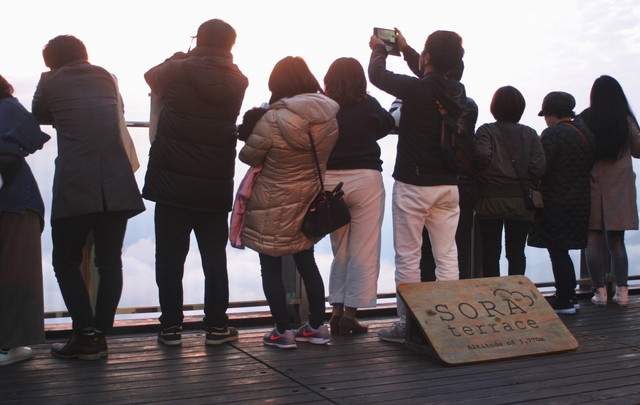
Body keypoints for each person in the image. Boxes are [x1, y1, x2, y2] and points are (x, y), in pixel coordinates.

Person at [32, 35, 145, 359]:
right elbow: (118, 113)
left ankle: (85, 333)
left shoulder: (50, 81)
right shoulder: (107, 77)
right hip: (117, 185)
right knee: (109, 262)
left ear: (52, 63)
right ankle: (100, 333)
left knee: (64, 261)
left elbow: (39, 114)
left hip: (76, 186)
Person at [143, 19, 248, 346]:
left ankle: (170, 327)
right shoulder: (238, 80)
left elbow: (151, 75)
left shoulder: (178, 69)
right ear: (230, 45)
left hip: (172, 184)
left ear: (198, 40)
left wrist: (180, 56)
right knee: (214, 259)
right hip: (214, 185)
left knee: (170, 258)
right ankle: (216, 326)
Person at [368, 30, 466, 343]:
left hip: (414, 183)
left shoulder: (416, 89)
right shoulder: (457, 90)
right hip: (448, 185)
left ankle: (408, 325)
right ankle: (449, 321)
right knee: (446, 255)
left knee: (409, 258)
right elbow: (429, 76)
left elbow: (377, 76)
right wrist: (408, 49)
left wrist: (379, 49)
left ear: (428, 57)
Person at [239, 56, 339, 349]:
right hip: (307, 198)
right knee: (306, 262)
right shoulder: (329, 116)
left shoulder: (273, 118)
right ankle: (318, 326)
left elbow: (249, 156)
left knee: (270, 265)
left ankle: (283, 331)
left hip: (272, 200)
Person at [322, 57, 394, 336]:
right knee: (364, 248)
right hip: (365, 178)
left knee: (340, 248)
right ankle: (350, 314)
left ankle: (335, 310)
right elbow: (386, 124)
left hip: (330, 181)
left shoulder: (324, 106)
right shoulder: (368, 104)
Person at [528, 92, 595, 314]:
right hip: (581, 200)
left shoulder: (552, 134)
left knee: (557, 250)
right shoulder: (584, 133)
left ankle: (565, 299)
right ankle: (569, 295)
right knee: (562, 250)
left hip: (556, 201)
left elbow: (541, 167)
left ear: (551, 113)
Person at [0, 74, 50, 366]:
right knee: (16, 273)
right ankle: (9, 345)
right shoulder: (9, 107)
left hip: (14, 202)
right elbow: (33, 135)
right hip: (17, 202)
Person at [579, 76, 640, 306]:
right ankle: (622, 292)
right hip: (620, 188)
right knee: (617, 241)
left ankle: (600, 292)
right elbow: (638, 149)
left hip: (592, 184)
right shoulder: (625, 119)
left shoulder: (584, 119)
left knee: (592, 239)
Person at [474, 86, 546, 278]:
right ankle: (517, 290)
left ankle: (493, 291)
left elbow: (481, 155)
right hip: (521, 201)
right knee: (516, 253)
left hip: (489, 200)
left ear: (494, 107)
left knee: (490, 252)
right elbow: (539, 166)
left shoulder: (486, 131)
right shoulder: (530, 134)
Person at [420, 60, 479, 281]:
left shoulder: (427, 101)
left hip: (429, 178)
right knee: (458, 245)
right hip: (463, 182)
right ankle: (457, 293)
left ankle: (424, 295)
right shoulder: (469, 105)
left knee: (426, 246)